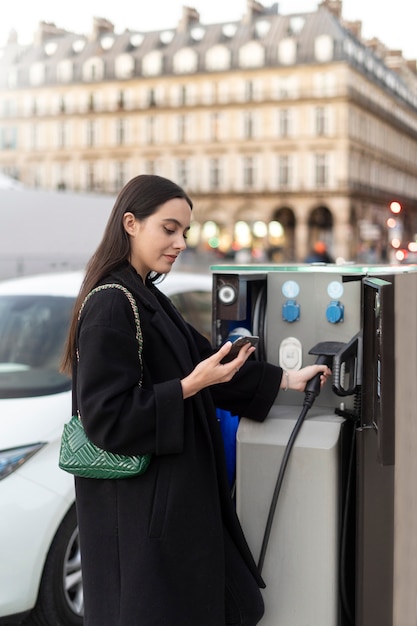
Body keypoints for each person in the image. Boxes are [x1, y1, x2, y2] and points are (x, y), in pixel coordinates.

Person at [61, 174, 331, 626]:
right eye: (169, 229)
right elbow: (108, 421)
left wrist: (287, 378)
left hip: (171, 511)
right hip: (143, 521)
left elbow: (213, 365)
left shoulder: (146, 295)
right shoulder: (111, 303)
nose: (181, 242)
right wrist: (188, 387)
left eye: (184, 231)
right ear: (130, 223)